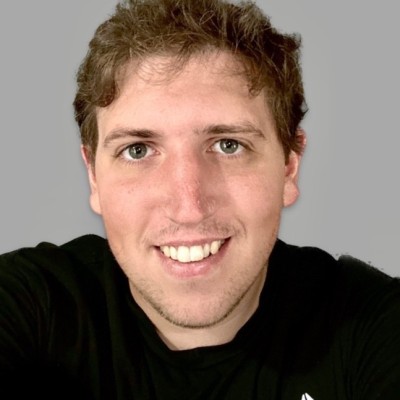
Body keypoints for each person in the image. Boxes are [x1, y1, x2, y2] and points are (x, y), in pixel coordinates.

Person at [0, 0, 399, 398]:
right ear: (93, 176)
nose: (188, 208)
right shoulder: (31, 305)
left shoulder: (373, 324)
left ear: (289, 167)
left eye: (228, 145)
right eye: (138, 150)